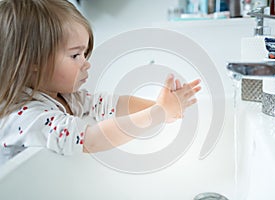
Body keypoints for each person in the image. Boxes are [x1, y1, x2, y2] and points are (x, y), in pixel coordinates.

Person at [0, 0, 201, 165]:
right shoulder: (25, 117)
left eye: (84, 53)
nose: (86, 64)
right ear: (33, 61)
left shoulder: (66, 97)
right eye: (75, 55)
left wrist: (163, 107)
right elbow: (91, 139)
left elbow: (111, 104)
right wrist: (158, 113)